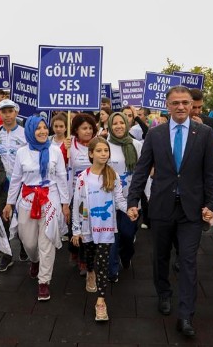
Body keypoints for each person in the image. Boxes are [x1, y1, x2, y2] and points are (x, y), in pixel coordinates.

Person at [127, 85, 213, 337]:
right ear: (167, 106)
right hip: (161, 206)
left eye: (185, 103)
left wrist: (211, 205)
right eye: (176, 102)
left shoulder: (204, 134)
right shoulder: (155, 134)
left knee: (189, 262)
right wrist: (132, 201)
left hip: (191, 210)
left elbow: (212, 174)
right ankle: (164, 293)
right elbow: (142, 169)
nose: (181, 107)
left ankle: (186, 315)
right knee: (160, 256)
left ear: (192, 105)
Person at [3, 116, 71, 301]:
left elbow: (62, 178)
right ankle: (34, 260)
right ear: (30, 131)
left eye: (44, 127)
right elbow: (16, 179)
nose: (42, 131)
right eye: (37, 128)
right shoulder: (22, 153)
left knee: (47, 240)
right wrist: (9, 203)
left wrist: (65, 204)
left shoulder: (55, 151)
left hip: (50, 199)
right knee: (29, 242)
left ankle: (44, 281)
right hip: (27, 200)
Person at [71, 137, 127, 322]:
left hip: (106, 228)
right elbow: (77, 205)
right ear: (91, 153)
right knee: (90, 256)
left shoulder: (113, 176)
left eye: (106, 151)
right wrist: (76, 229)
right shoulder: (83, 178)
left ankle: (101, 302)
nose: (104, 154)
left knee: (103, 263)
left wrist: (131, 210)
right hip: (88, 227)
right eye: (99, 151)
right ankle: (89, 271)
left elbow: (119, 200)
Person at [0, 99, 28, 270]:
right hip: (1, 184)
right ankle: (6, 254)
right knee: (2, 220)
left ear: (16, 112)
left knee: (24, 219)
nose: (7, 115)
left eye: (10, 111)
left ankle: (25, 246)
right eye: (4, 111)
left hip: (22, 184)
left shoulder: (25, 133)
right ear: (0, 113)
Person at [106, 112, 143, 282]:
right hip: (110, 200)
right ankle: (112, 270)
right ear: (110, 126)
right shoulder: (104, 145)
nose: (119, 126)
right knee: (113, 236)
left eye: (122, 122)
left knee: (128, 235)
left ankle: (126, 255)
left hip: (131, 199)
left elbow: (142, 172)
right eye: (115, 123)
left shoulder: (136, 145)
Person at [67, 113, 99, 275]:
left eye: (90, 128)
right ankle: (78, 254)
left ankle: (86, 259)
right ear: (76, 130)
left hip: (95, 194)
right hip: (75, 195)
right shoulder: (69, 144)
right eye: (84, 128)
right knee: (76, 226)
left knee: (91, 228)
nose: (88, 131)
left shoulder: (98, 142)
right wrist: (62, 148)